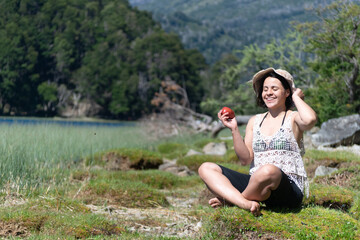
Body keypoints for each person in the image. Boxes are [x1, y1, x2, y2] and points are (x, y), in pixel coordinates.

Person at [198, 68, 317, 215]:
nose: (268, 93)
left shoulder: (293, 118)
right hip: (257, 184)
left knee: (268, 170)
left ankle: (231, 201)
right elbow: (245, 159)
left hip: (287, 190)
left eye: (274, 88)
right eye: (265, 89)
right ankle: (244, 203)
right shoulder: (255, 121)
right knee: (206, 168)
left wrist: (296, 97)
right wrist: (234, 129)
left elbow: (310, 120)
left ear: (287, 93)